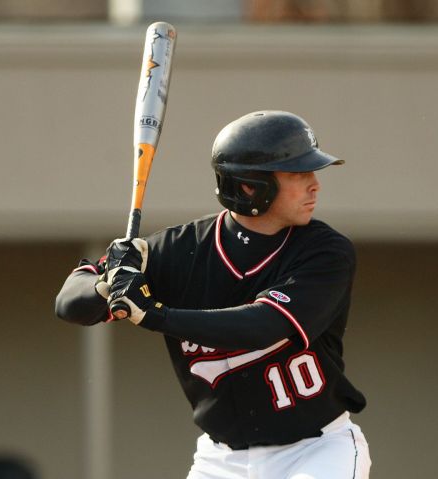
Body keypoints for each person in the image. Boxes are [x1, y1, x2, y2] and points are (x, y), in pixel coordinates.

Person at [55, 110, 371, 478]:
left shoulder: (325, 251)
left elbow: (263, 325)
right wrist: (107, 285)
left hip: (315, 451)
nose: (315, 184)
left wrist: (154, 314)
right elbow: (69, 305)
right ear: (251, 186)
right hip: (222, 460)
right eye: (298, 174)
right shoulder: (177, 249)